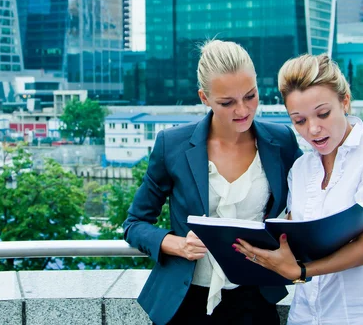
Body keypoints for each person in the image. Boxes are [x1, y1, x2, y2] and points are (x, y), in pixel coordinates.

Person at [123, 40, 302, 325]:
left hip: (256, 298)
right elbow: (134, 224)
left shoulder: (281, 141)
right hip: (186, 301)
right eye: (227, 102)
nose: (242, 110)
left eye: (250, 95)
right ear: (204, 98)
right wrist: (176, 244)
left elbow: (313, 196)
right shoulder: (172, 145)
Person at [234, 53, 363, 325]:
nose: (313, 129)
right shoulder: (301, 169)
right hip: (305, 316)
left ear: (344, 101)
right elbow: (291, 237)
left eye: (323, 114)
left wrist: (300, 270)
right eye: (299, 121)